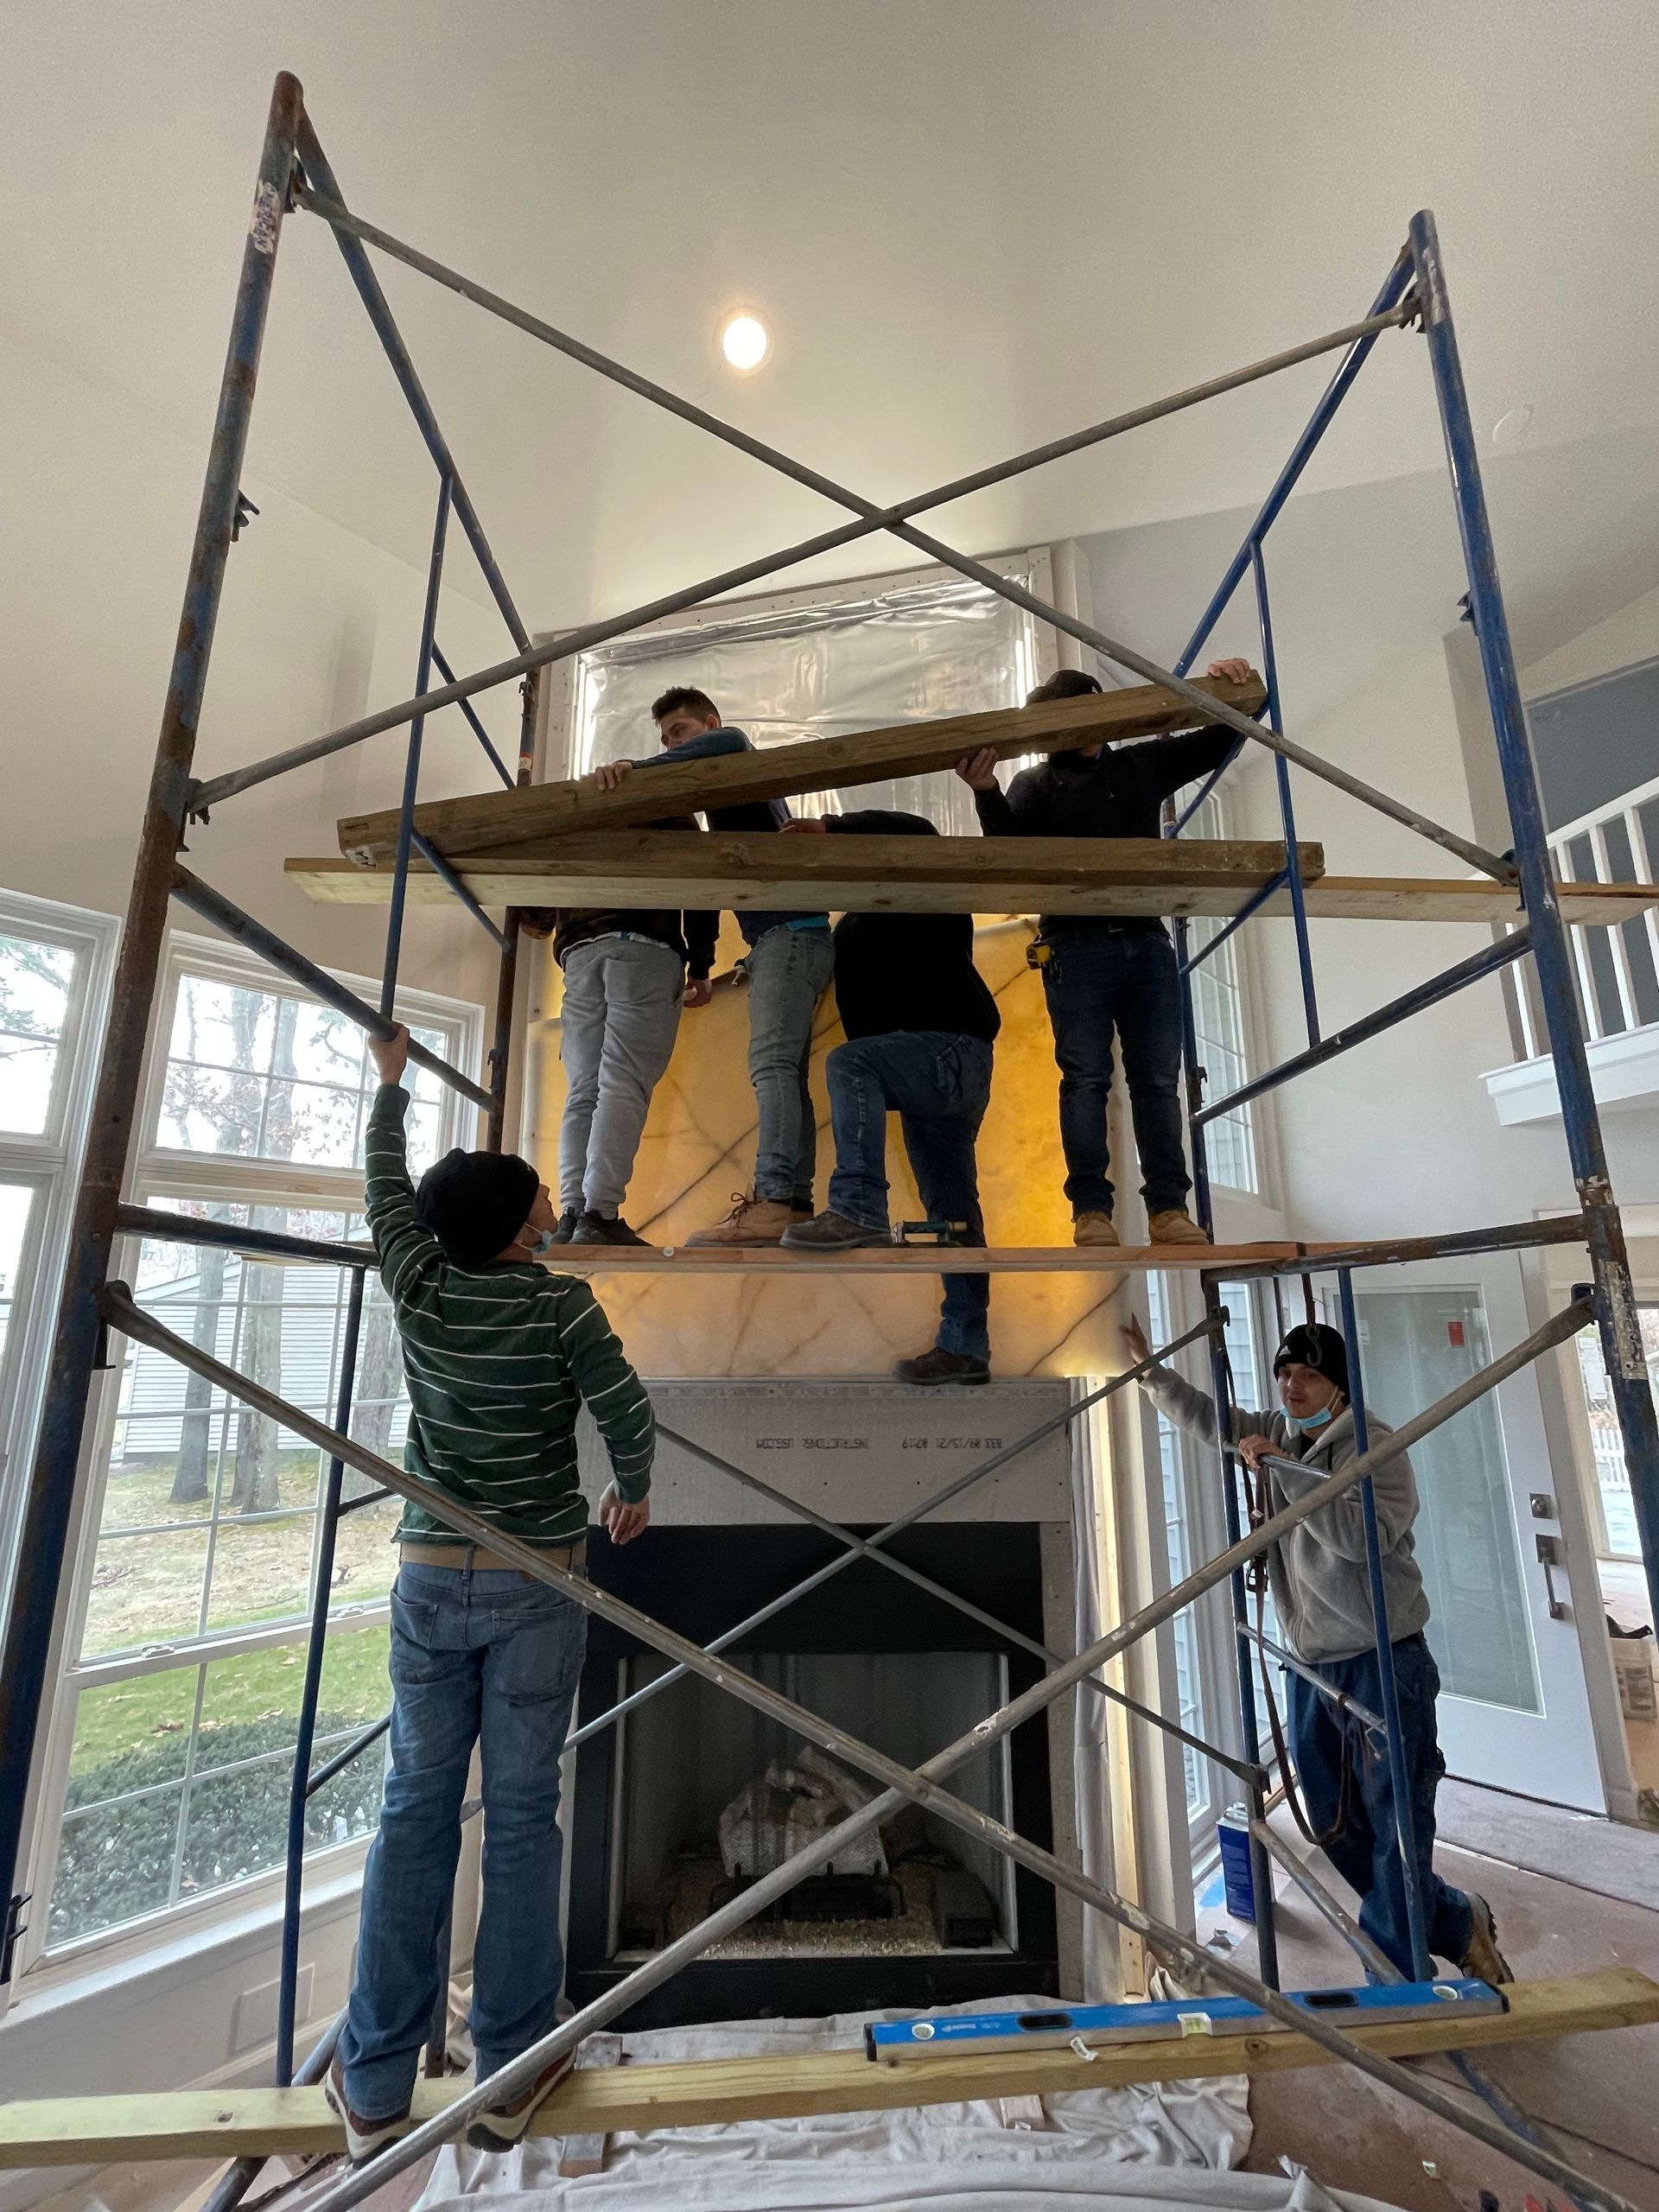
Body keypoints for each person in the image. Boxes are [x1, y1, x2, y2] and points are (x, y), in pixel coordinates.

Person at [326, 1022, 655, 2163]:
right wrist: (633, 1490)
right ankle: (510, 2072)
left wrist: (391, 1088)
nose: (553, 1208)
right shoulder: (558, 1306)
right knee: (521, 1814)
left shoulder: (418, 1287)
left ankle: (372, 2085)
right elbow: (624, 1406)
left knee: (414, 1808)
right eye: (539, 1201)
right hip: (537, 1582)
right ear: (523, 1226)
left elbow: (385, 1196)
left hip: (431, 1577)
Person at [1119, 1310, 1512, 1986]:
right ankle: (1452, 1919)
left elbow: (1358, 1538)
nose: (1291, 1387)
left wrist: (1282, 1470)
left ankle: (1396, 1977)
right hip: (1309, 1661)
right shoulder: (1279, 1434)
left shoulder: (1374, 1444)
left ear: (1338, 1387)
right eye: (1283, 1374)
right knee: (1331, 1821)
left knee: (1395, 1823)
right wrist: (1151, 1374)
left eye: (1308, 1375)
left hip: (1382, 1656)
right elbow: (1216, 1421)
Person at [955, 658, 1255, 1249]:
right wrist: (986, 792)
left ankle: (1169, 1210)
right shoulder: (1036, 784)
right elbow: (1013, 854)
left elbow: (1222, 737)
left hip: (1144, 940)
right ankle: (1091, 1210)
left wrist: (1235, 685)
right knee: (1086, 1078)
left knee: (1155, 1080)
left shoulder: (1140, 765)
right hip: (1075, 943)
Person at [587, 685, 835, 1244]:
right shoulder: (728, 806)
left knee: (772, 1068)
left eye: (681, 732)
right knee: (782, 1070)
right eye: (666, 737)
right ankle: (786, 1201)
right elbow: (710, 892)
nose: (675, 743)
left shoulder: (733, 749)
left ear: (708, 723)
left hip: (790, 935)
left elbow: (728, 740)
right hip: (782, 939)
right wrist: (705, 966)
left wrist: (638, 769)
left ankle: (776, 1198)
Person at [779, 810, 999, 1386]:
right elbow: (866, 1026)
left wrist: (829, 825)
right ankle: (966, 1348)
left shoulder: (924, 888)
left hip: (954, 1051)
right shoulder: (849, 931)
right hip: (936, 1074)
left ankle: (857, 1208)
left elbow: (920, 832)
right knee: (953, 1216)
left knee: (849, 1063)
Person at [523, 814, 718, 1246]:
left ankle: (573, 1215)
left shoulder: (582, 819)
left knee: (583, 1091)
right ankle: (600, 1213)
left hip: (578, 952)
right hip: (643, 945)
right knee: (623, 1085)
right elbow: (702, 882)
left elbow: (536, 907)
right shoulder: (672, 812)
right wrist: (702, 965)